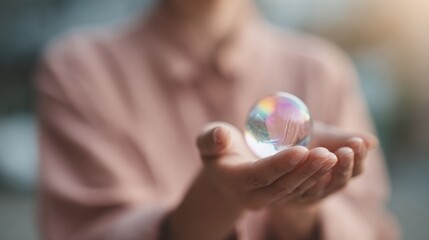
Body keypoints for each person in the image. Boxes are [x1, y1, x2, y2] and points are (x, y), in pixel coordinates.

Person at [36, 0, 399, 239]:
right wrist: (212, 203)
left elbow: (369, 226)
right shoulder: (80, 69)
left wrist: (300, 214)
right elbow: (85, 231)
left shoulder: (322, 71)